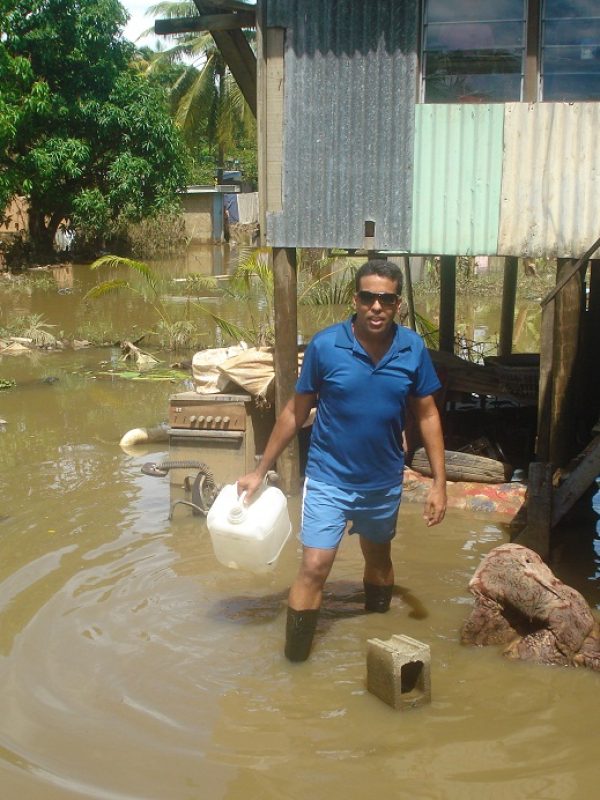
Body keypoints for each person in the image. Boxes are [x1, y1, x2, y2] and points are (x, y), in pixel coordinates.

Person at [237, 259, 447, 662]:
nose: (376, 307)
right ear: (356, 299)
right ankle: (294, 665)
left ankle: (377, 627)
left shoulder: (412, 349)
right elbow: (294, 413)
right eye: (368, 297)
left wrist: (438, 484)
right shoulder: (325, 346)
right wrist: (260, 470)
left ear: (397, 304)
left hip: (382, 481)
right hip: (328, 478)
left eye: (385, 299)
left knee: (379, 557)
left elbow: (427, 414)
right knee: (314, 566)